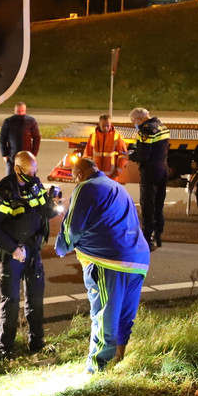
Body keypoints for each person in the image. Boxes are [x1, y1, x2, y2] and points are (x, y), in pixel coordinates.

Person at [55, 157, 151, 374]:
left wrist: (62, 246)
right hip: (138, 260)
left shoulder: (85, 188)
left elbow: (72, 227)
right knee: (125, 315)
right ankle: (119, 359)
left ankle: (98, 371)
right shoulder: (117, 187)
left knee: (104, 315)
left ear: (79, 174)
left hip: (107, 260)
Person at [0, 150, 61, 360]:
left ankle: (37, 343)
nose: (33, 175)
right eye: (30, 172)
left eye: (35, 170)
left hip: (33, 251)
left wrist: (52, 203)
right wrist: (13, 249)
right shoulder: (5, 190)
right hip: (13, 254)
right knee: (11, 301)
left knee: (36, 299)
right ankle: (6, 349)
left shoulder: (36, 184)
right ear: (17, 169)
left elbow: (43, 213)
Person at [129, 107, 170, 251]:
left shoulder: (145, 131)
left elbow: (143, 156)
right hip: (163, 169)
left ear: (139, 119)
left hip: (150, 172)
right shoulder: (162, 127)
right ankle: (158, 235)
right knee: (159, 204)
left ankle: (147, 239)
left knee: (147, 205)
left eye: (134, 122)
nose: (135, 124)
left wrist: (129, 155)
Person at [0, 102, 40, 176]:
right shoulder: (9, 122)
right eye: (18, 111)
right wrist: (5, 155)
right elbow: (2, 139)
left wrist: (34, 154)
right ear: (15, 111)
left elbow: (37, 137)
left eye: (22, 111)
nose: (20, 114)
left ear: (25, 110)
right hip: (12, 156)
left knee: (29, 178)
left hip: (27, 155)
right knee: (11, 179)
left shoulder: (30, 121)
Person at [83, 114, 128, 179]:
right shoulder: (93, 136)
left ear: (111, 124)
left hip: (111, 175)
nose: (105, 128)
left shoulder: (117, 137)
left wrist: (118, 170)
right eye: (103, 126)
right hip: (95, 174)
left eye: (108, 126)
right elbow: (87, 154)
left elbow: (123, 155)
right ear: (99, 124)